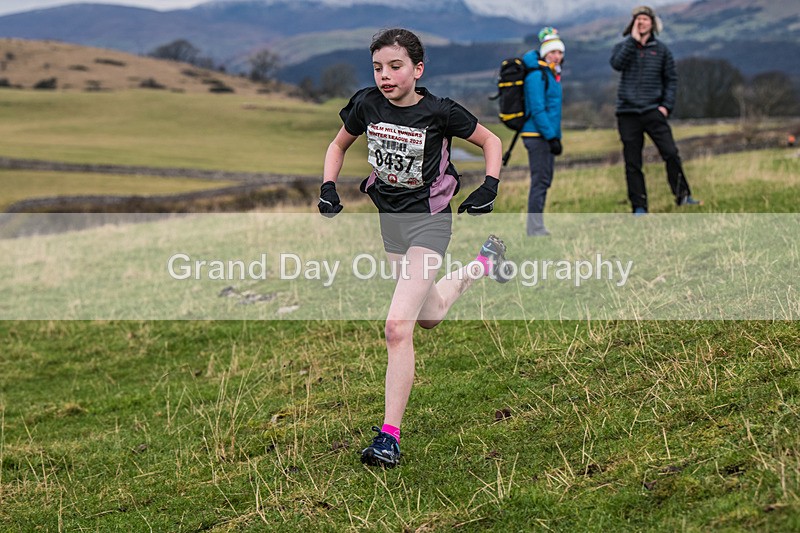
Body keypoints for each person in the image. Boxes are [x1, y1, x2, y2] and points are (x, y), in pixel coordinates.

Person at [318, 28, 508, 468]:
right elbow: (337, 144)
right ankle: (485, 261)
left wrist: (490, 186)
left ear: (417, 69)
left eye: (395, 66)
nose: (385, 75)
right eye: (378, 67)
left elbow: (490, 141)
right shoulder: (366, 104)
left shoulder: (440, 112)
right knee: (431, 314)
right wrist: (328, 185)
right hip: (393, 226)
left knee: (397, 327)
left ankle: (389, 438)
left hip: (430, 224)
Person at [610, 6, 702, 214]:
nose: (641, 22)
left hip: (653, 110)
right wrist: (632, 42)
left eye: (644, 19)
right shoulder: (623, 47)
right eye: (637, 19)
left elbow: (671, 79)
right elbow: (617, 64)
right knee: (632, 162)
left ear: (652, 23)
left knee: (670, 153)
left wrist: (665, 107)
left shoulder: (661, 51)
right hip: (627, 113)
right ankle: (639, 206)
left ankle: (683, 196)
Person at [520, 26, 565, 236]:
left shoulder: (551, 74)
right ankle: (534, 229)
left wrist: (555, 137)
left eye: (560, 52)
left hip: (545, 135)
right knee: (540, 181)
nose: (558, 56)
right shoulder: (536, 76)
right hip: (536, 135)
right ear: (545, 53)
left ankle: (537, 227)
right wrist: (552, 136)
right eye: (554, 52)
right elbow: (537, 109)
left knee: (544, 180)